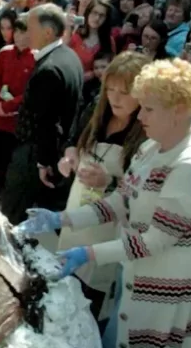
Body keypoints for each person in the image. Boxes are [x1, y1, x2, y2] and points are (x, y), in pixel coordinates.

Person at [17, 58, 191, 348]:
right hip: (137, 269)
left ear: (178, 110)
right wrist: (63, 219)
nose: (140, 115)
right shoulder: (152, 148)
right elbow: (121, 202)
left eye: (149, 107)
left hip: (162, 282)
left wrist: (87, 254)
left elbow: (154, 241)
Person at [56, 52, 150, 319]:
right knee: (66, 281)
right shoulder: (96, 111)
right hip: (79, 208)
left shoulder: (148, 133)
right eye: (110, 89)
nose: (115, 98)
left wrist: (110, 181)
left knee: (90, 299)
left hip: (112, 227)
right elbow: (74, 139)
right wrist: (70, 155)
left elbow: (146, 192)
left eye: (125, 92)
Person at [0, 4, 84, 223]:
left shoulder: (49, 69)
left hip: (34, 155)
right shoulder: (69, 57)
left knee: (13, 212)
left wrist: (42, 162)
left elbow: (46, 121)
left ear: (47, 32)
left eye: (30, 27)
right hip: (52, 151)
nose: (25, 32)